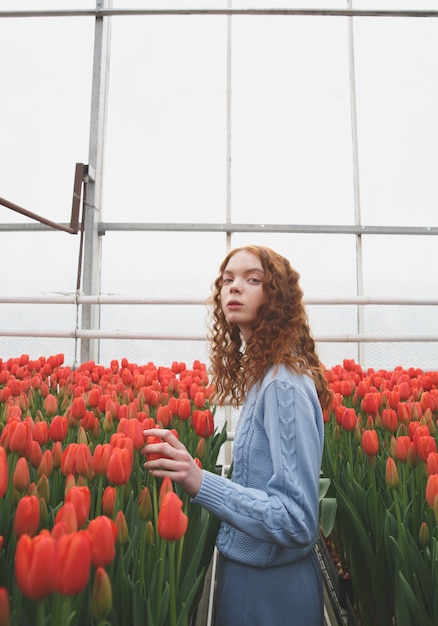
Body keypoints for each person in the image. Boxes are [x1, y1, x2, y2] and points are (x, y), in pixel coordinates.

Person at [143, 245, 332, 626]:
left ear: (276, 296)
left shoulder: (282, 385)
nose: (234, 288)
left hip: (269, 592)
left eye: (252, 279)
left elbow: (297, 520)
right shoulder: (265, 375)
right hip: (253, 574)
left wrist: (200, 482)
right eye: (227, 280)